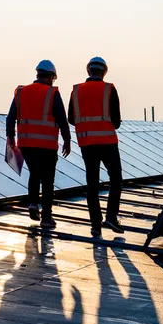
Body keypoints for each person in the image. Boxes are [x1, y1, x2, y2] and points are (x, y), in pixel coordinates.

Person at [6, 60, 71, 229]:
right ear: (51, 77)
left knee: (34, 172)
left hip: (26, 144)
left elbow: (10, 117)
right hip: (47, 145)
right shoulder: (52, 93)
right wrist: (67, 140)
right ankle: (47, 218)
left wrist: (10, 137)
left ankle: (33, 202)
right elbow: (62, 120)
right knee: (48, 180)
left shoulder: (21, 92)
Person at [68, 56, 123, 235]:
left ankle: (95, 224)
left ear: (88, 70)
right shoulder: (109, 89)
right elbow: (116, 122)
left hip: (87, 144)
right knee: (116, 179)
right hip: (108, 143)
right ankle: (111, 217)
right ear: (104, 72)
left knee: (92, 184)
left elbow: (71, 118)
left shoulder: (76, 91)